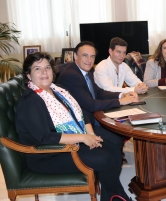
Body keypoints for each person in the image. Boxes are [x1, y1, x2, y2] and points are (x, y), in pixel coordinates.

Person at [16, 52, 131, 201]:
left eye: (47, 67)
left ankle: (111, 197)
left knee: (113, 150)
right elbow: (45, 137)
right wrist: (83, 138)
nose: (44, 72)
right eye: (37, 69)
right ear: (29, 76)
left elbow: (80, 112)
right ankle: (118, 198)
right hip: (46, 155)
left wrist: (90, 134)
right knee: (104, 159)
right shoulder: (30, 101)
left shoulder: (57, 90)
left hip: (67, 145)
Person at [56, 41, 138, 166]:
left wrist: (122, 95)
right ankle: (110, 172)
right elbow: (90, 104)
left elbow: (98, 92)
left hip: (90, 116)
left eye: (92, 56)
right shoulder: (71, 75)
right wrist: (120, 101)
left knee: (121, 128)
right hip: (82, 123)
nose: (89, 60)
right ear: (75, 56)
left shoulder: (85, 71)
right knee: (116, 137)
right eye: (85, 55)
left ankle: (112, 166)